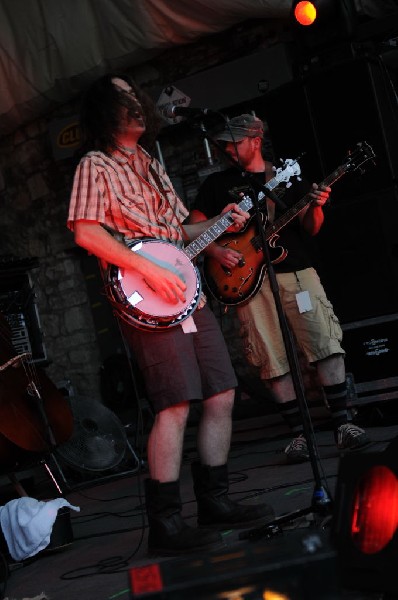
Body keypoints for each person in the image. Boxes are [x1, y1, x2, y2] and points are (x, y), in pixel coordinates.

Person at [67, 76, 274, 556]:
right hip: (147, 300)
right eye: (123, 98)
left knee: (222, 392)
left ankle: (215, 500)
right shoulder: (94, 166)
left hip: (189, 295)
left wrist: (221, 219)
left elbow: (180, 230)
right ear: (105, 110)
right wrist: (145, 268)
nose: (136, 105)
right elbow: (86, 233)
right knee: (175, 403)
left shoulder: (149, 164)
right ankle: (166, 525)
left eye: (135, 95)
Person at [190, 113, 370, 464]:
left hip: (296, 271)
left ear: (256, 139)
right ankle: (299, 436)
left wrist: (316, 206)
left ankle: (343, 426)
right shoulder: (216, 186)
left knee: (323, 340)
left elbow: (311, 228)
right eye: (224, 144)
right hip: (246, 280)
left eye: (234, 142)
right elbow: (193, 229)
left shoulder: (288, 176)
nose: (227, 149)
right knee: (268, 355)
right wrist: (217, 251)